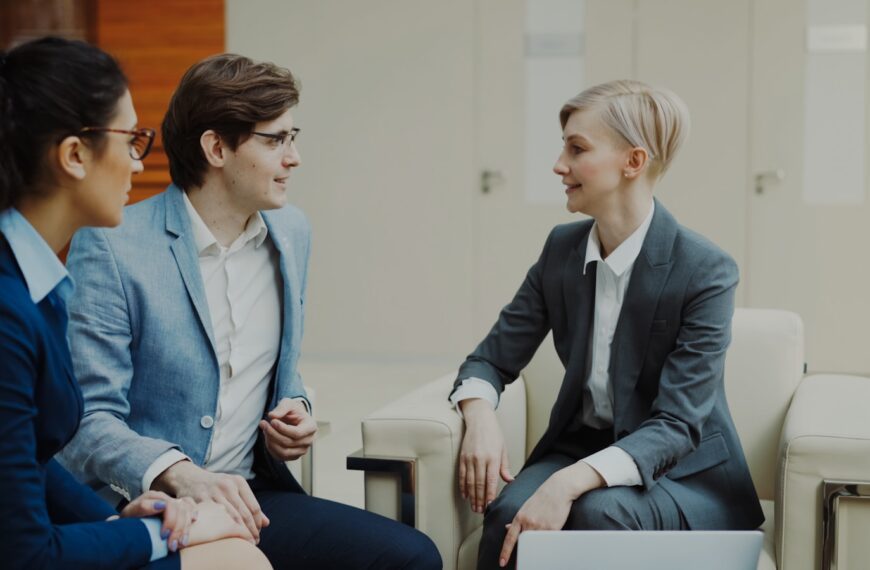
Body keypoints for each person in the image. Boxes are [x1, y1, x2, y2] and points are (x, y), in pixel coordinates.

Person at [58, 52, 441, 570]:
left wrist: (296, 408)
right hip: (149, 506)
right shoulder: (113, 246)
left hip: (252, 495)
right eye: (275, 139)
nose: (295, 157)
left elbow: (277, 366)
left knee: (411, 556)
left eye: (293, 136)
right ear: (216, 147)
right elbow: (88, 420)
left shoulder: (291, 233)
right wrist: (178, 472)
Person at [450, 80, 764, 569]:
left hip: (684, 475)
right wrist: (479, 417)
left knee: (599, 513)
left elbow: (679, 424)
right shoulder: (561, 250)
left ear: (633, 162)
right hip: (580, 446)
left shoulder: (705, 270)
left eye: (577, 149)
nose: (559, 165)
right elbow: (490, 358)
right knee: (508, 516)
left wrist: (567, 482)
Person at [0, 36, 270, 570]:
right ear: (74, 155)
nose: (138, 163)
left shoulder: (37, 281)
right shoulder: (9, 311)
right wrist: (161, 536)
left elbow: (24, 458)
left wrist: (112, 521)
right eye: (131, 140)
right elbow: (26, 553)